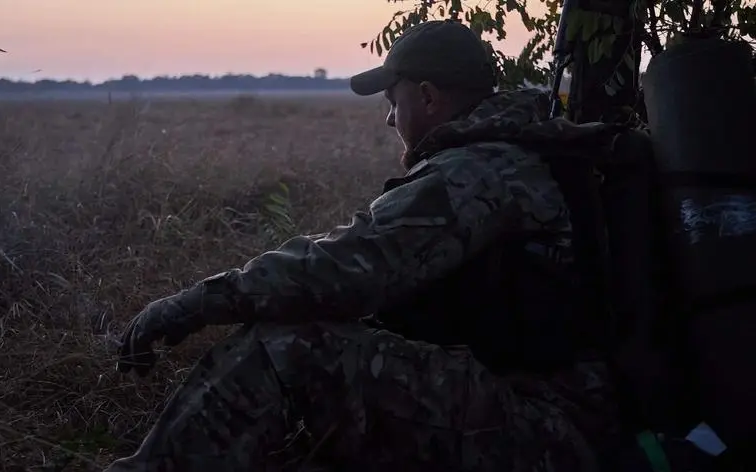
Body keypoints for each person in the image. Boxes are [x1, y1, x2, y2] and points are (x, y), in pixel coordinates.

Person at [104, 20, 631, 472]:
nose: (389, 118)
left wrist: (195, 303)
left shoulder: (478, 172)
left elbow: (346, 268)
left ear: (428, 97)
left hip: (549, 430)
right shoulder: (512, 150)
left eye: (393, 100)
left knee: (285, 349)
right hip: (555, 412)